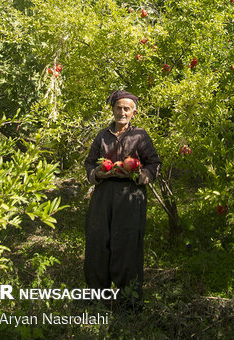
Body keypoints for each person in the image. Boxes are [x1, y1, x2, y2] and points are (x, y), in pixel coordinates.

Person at [84, 90, 161, 309]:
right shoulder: (102, 136)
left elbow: (153, 163)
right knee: (98, 241)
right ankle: (97, 296)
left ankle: (128, 300)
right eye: (119, 108)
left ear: (133, 112)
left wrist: (142, 176)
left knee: (128, 244)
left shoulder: (140, 136)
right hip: (104, 194)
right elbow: (89, 163)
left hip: (130, 195)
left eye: (127, 108)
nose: (122, 112)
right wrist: (98, 173)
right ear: (113, 109)